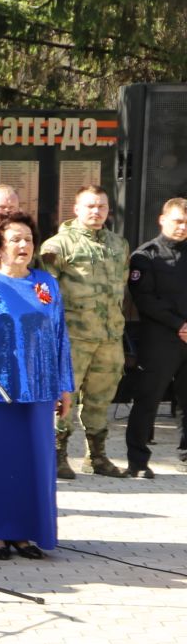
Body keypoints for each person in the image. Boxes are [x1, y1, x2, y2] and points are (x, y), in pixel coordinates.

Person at [0, 215, 73, 558]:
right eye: (15, 239)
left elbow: (59, 338)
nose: (23, 246)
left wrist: (64, 386)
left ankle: (24, 532)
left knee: (31, 463)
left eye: (28, 239)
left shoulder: (47, 284)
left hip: (38, 390)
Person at [42, 185, 131, 479]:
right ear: (76, 209)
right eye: (90, 206)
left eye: (102, 207)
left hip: (109, 337)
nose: (96, 212)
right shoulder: (57, 246)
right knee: (64, 397)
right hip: (73, 338)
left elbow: (122, 286)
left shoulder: (119, 245)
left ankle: (97, 457)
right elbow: (48, 296)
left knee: (101, 398)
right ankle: (56, 455)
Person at [126, 198, 187, 478]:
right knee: (147, 400)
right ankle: (138, 461)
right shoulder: (145, 255)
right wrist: (180, 324)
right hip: (160, 338)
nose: (183, 227)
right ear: (162, 219)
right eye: (177, 221)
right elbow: (145, 299)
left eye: (186, 222)